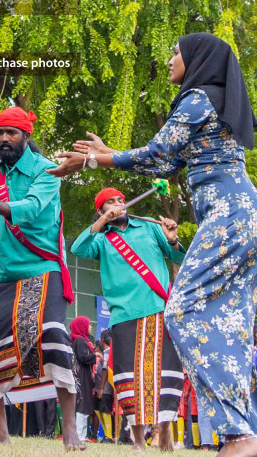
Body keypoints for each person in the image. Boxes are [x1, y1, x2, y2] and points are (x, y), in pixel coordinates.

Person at [58, 33, 257, 457]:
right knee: (229, 327)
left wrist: (92, 160)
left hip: (231, 215)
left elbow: (158, 148)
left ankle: (239, 434)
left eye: (175, 50)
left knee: (181, 310)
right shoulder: (211, 102)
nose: (171, 56)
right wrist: (111, 153)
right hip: (246, 216)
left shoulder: (198, 96)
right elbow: (164, 161)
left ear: (196, 58)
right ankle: (256, 438)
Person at [0, 105, 83, 449]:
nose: (4, 139)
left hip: (42, 267)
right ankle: (0, 433)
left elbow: (32, 208)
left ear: (26, 136)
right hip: (2, 271)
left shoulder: (46, 169)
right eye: (0, 133)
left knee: (52, 338)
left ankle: (69, 431)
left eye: (12, 133)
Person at [71, 187, 187, 450]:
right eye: (109, 203)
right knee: (127, 376)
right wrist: (101, 223)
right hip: (123, 315)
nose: (117, 205)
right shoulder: (101, 239)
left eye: (120, 201)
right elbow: (78, 248)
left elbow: (179, 256)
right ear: (101, 211)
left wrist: (171, 238)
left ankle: (165, 431)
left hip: (158, 309)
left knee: (163, 373)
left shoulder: (150, 228)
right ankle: (137, 438)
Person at [71, 317, 99, 445]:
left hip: (82, 375)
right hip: (81, 376)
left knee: (84, 405)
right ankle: (80, 435)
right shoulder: (80, 340)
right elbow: (83, 357)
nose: (90, 327)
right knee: (82, 405)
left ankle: (82, 434)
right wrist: (96, 355)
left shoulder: (80, 339)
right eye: (88, 325)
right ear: (81, 326)